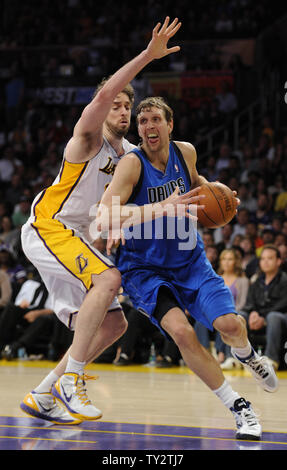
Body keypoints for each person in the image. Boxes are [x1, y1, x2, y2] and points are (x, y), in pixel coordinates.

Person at [20, 17, 182, 426]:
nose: (124, 110)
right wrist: (148, 55)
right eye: (117, 105)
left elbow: (124, 209)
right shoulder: (87, 137)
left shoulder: (131, 156)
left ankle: (45, 393)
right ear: (102, 106)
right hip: (49, 225)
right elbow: (107, 90)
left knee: (114, 324)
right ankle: (73, 379)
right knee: (108, 280)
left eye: (129, 106)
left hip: (81, 239)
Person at [97, 96, 278, 440]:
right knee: (181, 332)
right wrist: (158, 209)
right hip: (145, 268)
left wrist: (220, 198)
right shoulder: (132, 165)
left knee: (228, 325)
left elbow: (196, 185)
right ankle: (241, 408)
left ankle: (250, 356)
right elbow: (104, 215)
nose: (148, 126)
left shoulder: (186, 152)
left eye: (154, 119)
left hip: (189, 260)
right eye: (142, 121)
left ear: (170, 125)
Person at [240, 245, 287, 370]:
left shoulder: (285, 280)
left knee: (273, 317)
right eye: (263, 259)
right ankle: (240, 358)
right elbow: (250, 303)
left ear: (278, 261)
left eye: (269, 258)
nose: (265, 262)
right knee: (240, 316)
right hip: (261, 317)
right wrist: (253, 313)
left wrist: (263, 317)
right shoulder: (256, 282)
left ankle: (271, 360)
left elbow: (283, 304)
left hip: (280, 317)